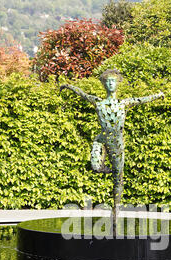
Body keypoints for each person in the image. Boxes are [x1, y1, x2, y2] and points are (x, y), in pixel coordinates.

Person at [60, 69, 164, 222]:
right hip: (101, 138)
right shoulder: (98, 102)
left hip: (117, 143)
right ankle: (103, 168)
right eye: (108, 81)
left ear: (117, 84)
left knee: (118, 178)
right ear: (104, 84)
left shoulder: (124, 103)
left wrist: (158, 95)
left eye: (113, 81)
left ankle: (116, 211)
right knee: (95, 166)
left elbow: (142, 99)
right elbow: (82, 94)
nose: (110, 83)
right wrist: (68, 86)